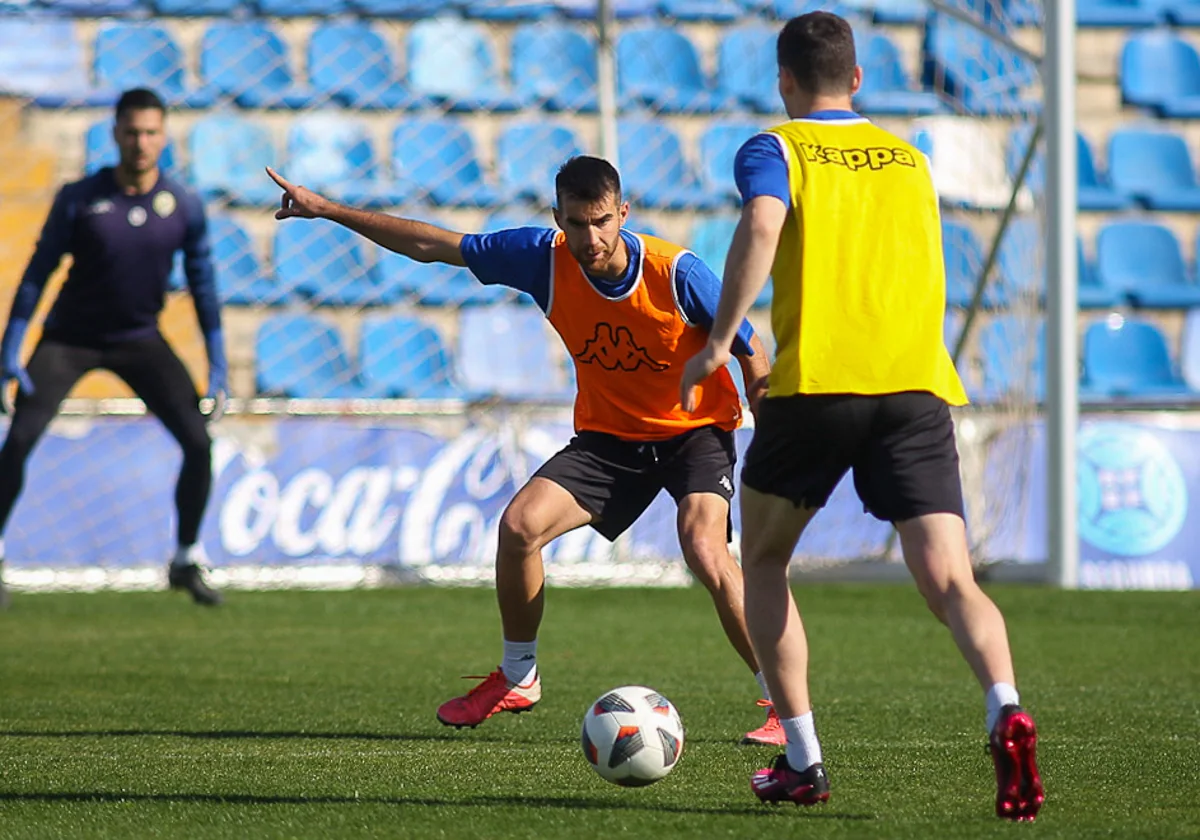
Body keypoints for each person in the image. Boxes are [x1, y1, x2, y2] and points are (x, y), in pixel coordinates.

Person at [266, 156, 785, 744]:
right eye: (575, 224)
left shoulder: (677, 272)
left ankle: (780, 702)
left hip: (694, 431)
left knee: (703, 547)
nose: (589, 238)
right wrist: (327, 209)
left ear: (623, 214)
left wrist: (767, 430)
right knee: (519, 527)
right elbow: (432, 246)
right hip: (611, 437)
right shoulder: (544, 257)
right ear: (556, 218)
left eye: (600, 222)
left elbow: (752, 349)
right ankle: (519, 675)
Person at [679, 11, 1044, 821]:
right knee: (952, 579)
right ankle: (1005, 705)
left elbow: (763, 226)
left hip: (819, 387)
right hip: (916, 387)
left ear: (784, 81)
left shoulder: (776, 146)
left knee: (765, 563)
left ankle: (803, 760)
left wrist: (717, 342)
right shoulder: (911, 159)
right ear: (857, 79)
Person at [0, 88, 227, 609]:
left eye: (150, 133)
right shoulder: (80, 197)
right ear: (116, 134)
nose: (141, 143)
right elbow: (37, 274)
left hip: (138, 339)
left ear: (163, 137)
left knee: (198, 441)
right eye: (132, 132)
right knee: (19, 441)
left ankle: (185, 558)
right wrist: (11, 347)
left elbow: (204, 284)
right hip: (69, 340)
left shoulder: (183, 205)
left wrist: (217, 364)